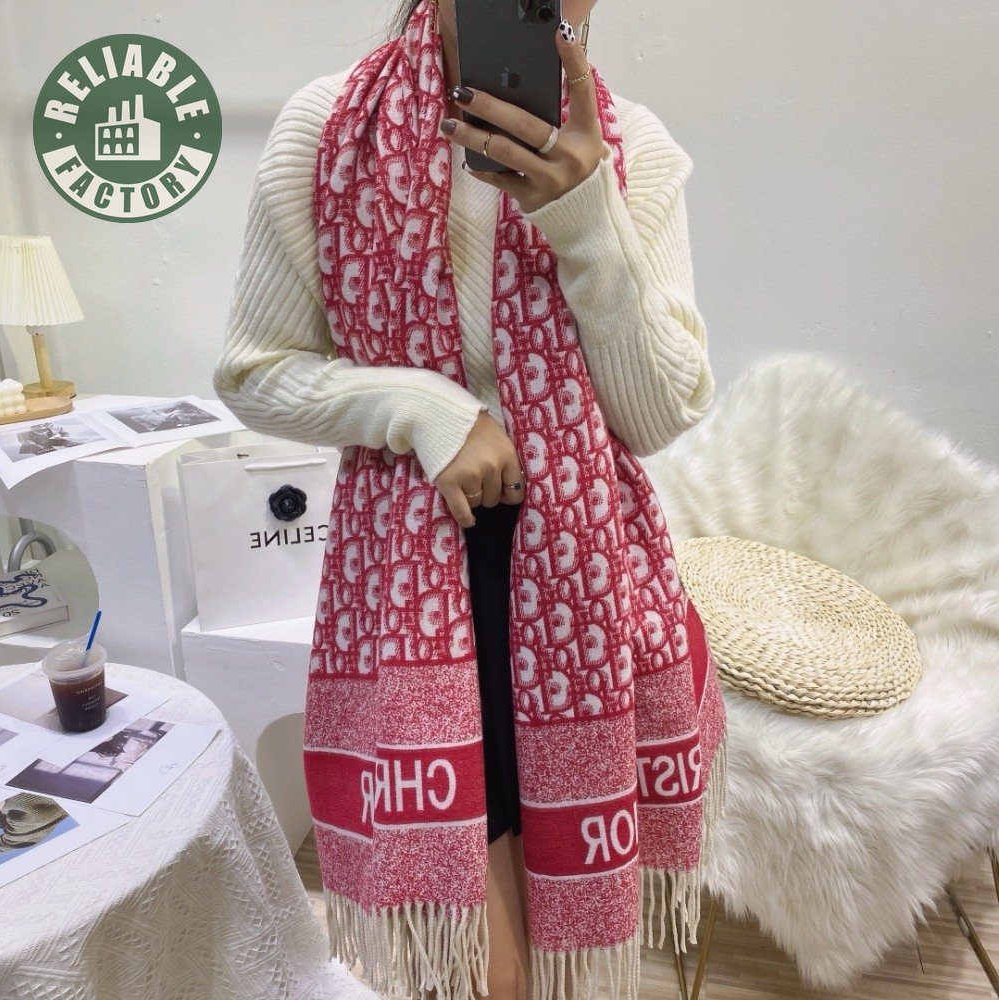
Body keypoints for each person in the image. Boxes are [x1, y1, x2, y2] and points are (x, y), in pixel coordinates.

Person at [213, 2, 715, 997]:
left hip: (580, 578)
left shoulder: (634, 149)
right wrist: (426, 411)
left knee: (558, 938)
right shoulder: (327, 128)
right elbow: (254, 371)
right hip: (415, 575)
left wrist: (586, 215)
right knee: (481, 957)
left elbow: (660, 410)